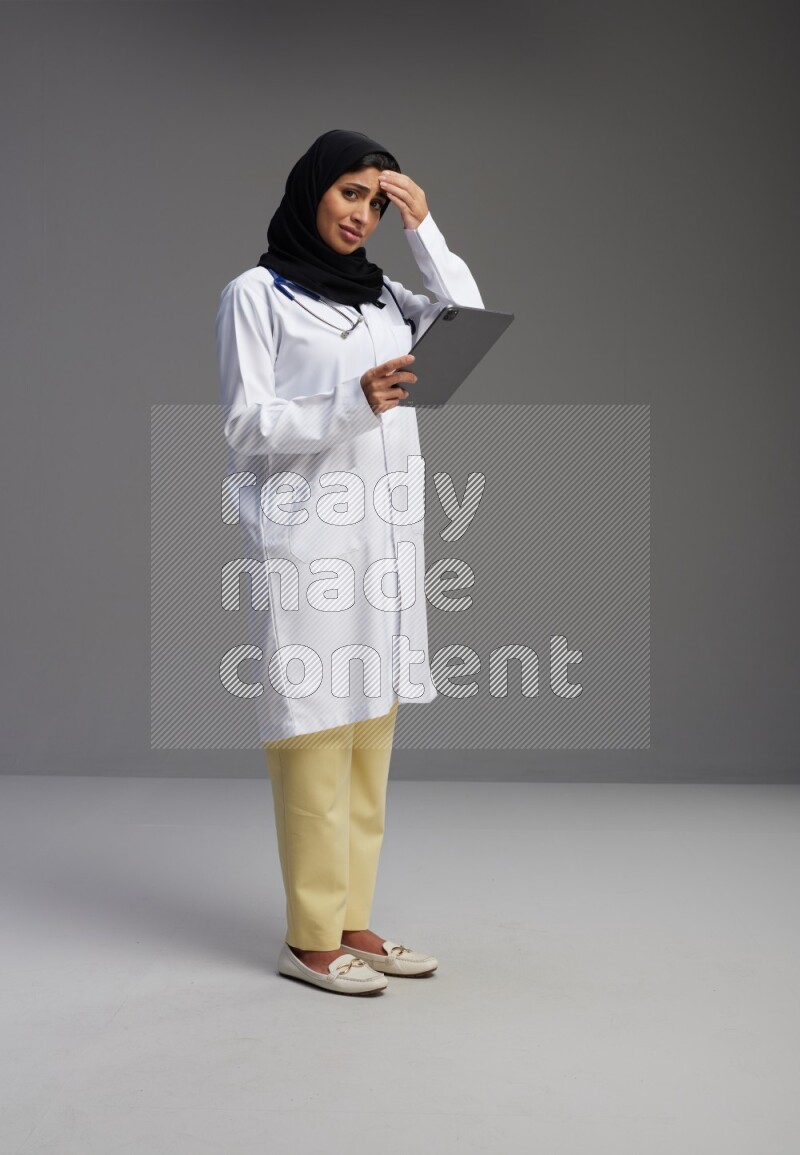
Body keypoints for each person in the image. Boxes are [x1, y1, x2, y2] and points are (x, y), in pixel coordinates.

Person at [215, 129, 484, 996]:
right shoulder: (257, 294)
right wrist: (350, 399)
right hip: (311, 544)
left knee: (371, 732)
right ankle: (308, 935)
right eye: (350, 194)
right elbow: (246, 424)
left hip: (387, 543)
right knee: (313, 736)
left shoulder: (381, 299)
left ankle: (352, 918)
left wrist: (426, 228)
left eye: (376, 199)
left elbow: (468, 328)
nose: (361, 213)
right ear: (311, 192)